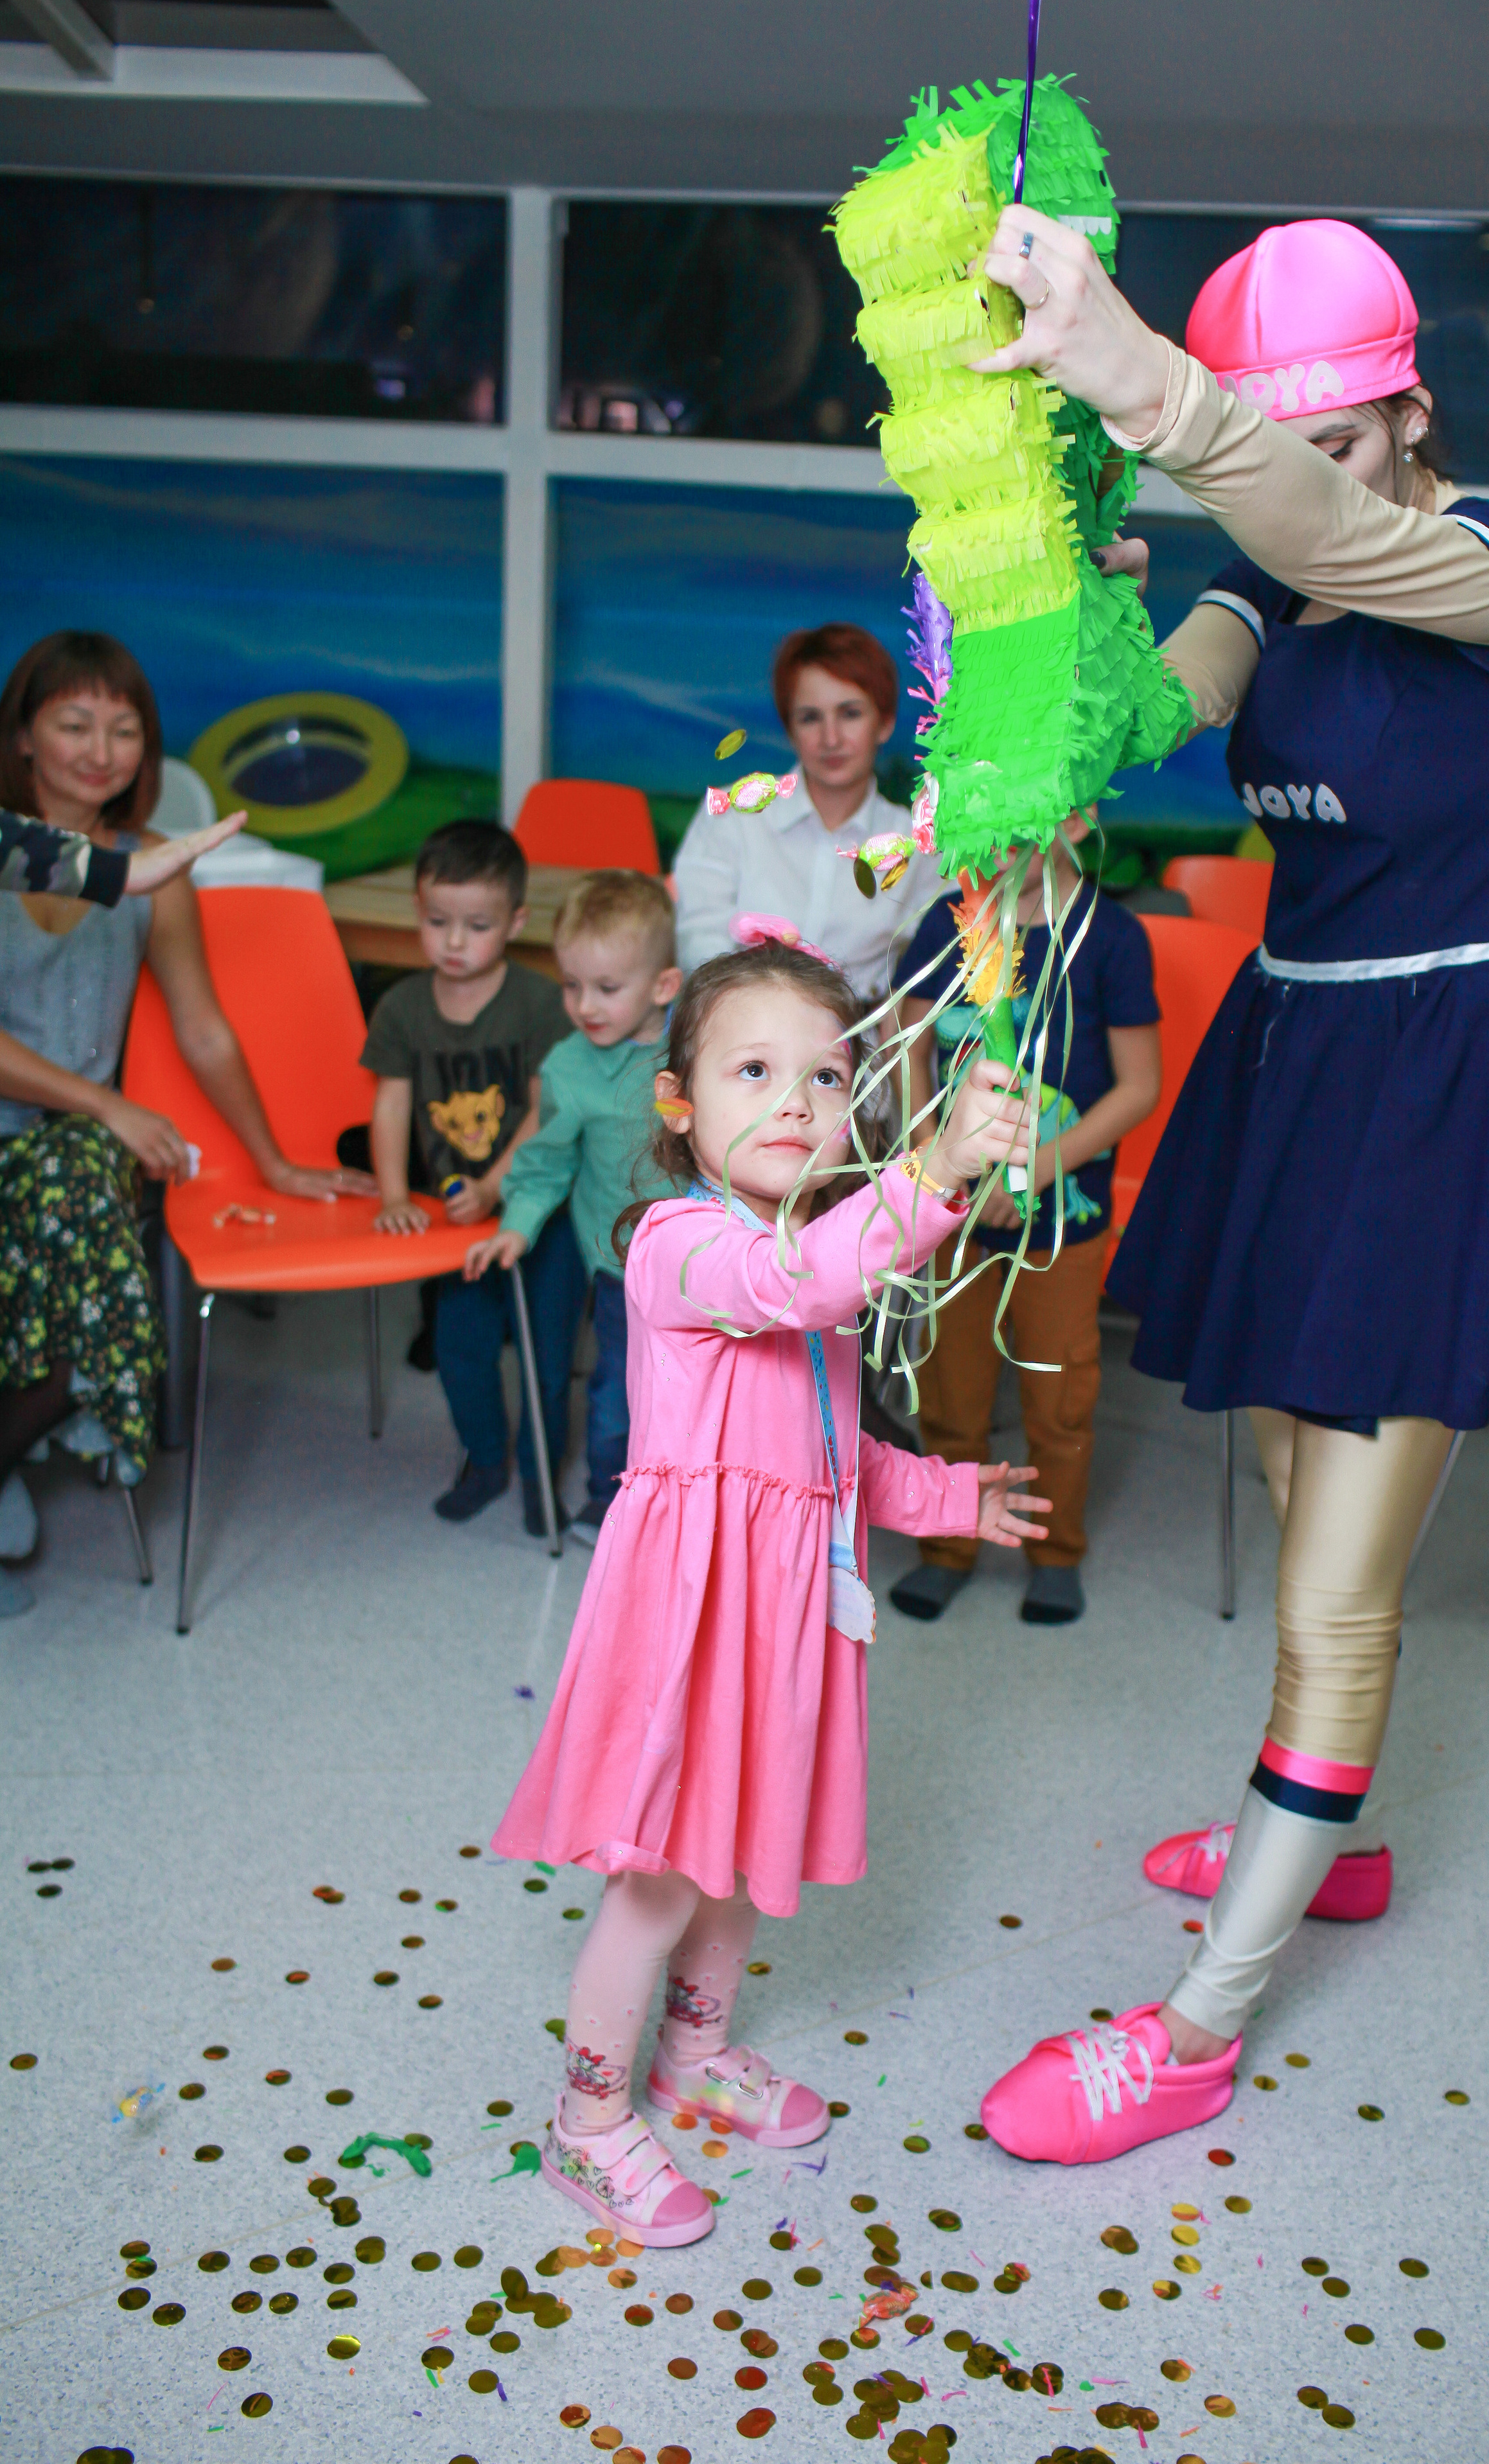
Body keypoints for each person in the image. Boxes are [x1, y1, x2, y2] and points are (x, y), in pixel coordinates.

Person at [967, 216, 1489, 2164]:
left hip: (1447, 1072)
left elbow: (1352, 547)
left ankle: (1195, 2027)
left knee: (1342, 1589)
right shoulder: (1263, 584)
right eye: (1274, 444)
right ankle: (1319, 1838)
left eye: (1324, 437)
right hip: (1298, 1053)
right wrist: (1062, 586)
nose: (1299, 477)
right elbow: (1136, 727)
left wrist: (1146, 384)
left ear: (1411, 408)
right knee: (1273, 1468)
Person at [491, 939, 1048, 2242]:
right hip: (689, 1620)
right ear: (677, 1103)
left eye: (826, 1074)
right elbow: (792, 1286)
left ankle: (693, 2058)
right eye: (755, 1071)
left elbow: (829, 1457)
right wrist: (932, 1173)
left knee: (742, 1856)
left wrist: (943, 1496)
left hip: (782, 1616)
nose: (797, 1101)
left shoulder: (818, 1257)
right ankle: (584, 2124)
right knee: (660, 1878)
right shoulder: (681, 1247)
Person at [0, 631, 374, 1618]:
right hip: (62, 1122)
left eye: (124, 729)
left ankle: (34, 1423)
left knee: (85, 1183)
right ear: (26, 736)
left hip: (72, 1146)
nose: (100, 748)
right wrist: (110, 1102)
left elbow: (204, 1030)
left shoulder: (149, 870)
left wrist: (277, 1163)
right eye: (73, 722)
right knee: (87, 1171)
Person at [888, 811, 1161, 1627]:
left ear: (1073, 820)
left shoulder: (1111, 938)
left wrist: (1035, 1168)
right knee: (950, 1391)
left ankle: (1055, 1551)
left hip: (1060, 1225)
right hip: (954, 1212)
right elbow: (908, 1051)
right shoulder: (948, 923)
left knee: (1059, 1396)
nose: (993, 848)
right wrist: (942, 1155)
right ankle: (947, 1545)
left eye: (1014, 828)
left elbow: (1137, 1087)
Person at [364, 820, 575, 1535]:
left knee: (547, 1356)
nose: (454, 942)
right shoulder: (401, 1007)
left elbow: (546, 1110)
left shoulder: (541, 1002)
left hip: (544, 1212)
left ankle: (539, 1468)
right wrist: (395, 1194)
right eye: (436, 922)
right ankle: (486, 1460)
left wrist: (495, 1187)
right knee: (460, 1348)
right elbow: (389, 1102)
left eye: (477, 925)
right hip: (459, 1225)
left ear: (515, 922)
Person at [465, 871, 680, 1547]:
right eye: (571, 985)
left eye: (607, 989)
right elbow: (546, 1160)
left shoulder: (698, 1054)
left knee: (695, 1394)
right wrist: (517, 1228)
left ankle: (689, 1505)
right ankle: (606, 1500)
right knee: (616, 1391)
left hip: (703, 1265)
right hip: (617, 1267)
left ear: (663, 987)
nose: (585, 1005)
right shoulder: (566, 1066)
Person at [673, 623, 942, 1006]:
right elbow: (698, 945)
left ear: (884, 723)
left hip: (858, 1050)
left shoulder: (919, 842)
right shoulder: (733, 813)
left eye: (850, 714)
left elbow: (933, 967)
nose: (831, 738)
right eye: (810, 718)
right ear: (790, 729)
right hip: (737, 1029)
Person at [0, 806, 247, 901]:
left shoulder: (146, 848)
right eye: (74, 728)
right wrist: (122, 870)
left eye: (125, 732)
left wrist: (121, 869)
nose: (101, 756)